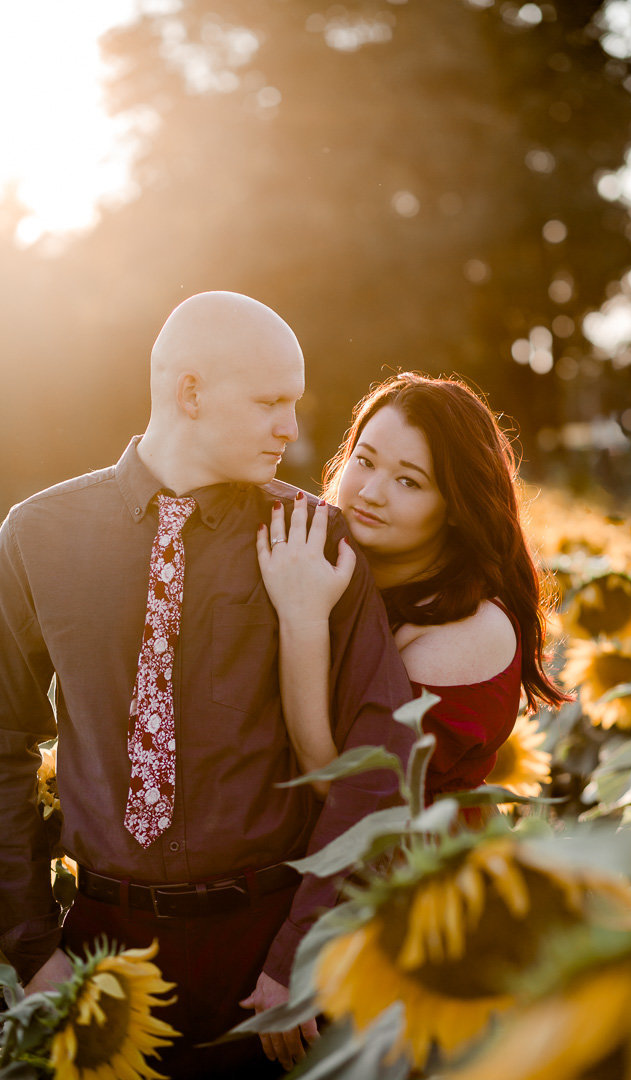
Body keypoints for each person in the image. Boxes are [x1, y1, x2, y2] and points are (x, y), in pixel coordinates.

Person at [0, 292, 412, 1077]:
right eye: (270, 403)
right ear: (190, 393)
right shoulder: (35, 538)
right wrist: (31, 951)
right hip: (95, 954)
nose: (291, 428)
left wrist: (303, 950)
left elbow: (378, 762)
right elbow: (1, 742)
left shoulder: (316, 541)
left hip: (269, 956)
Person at [258, 373, 568, 804]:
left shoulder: (470, 631)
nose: (370, 493)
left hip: (411, 863)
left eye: (409, 481)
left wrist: (301, 620)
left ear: (458, 506)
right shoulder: (320, 563)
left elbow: (346, 789)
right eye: (364, 461)